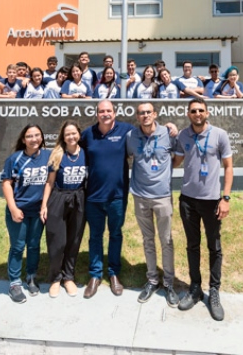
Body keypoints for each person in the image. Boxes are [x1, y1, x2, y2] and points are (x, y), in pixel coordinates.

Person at [173, 99, 233, 322]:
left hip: (211, 201)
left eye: (200, 110)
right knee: (192, 245)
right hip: (188, 200)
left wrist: (225, 198)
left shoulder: (220, 135)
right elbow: (176, 161)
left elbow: (228, 167)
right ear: (188, 114)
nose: (197, 114)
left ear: (207, 112)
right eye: (193, 111)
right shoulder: (183, 135)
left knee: (214, 246)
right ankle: (195, 288)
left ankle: (214, 292)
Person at [80, 100, 137, 298]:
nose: (105, 114)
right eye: (101, 111)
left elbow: (149, 132)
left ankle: (113, 273)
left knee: (115, 234)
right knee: (95, 236)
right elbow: (73, 150)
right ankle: (95, 275)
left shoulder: (126, 130)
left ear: (114, 112)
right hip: (93, 196)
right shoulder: (88, 134)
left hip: (117, 196)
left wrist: (170, 128)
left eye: (108, 110)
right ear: (97, 114)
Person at [126, 102, 179, 307]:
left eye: (149, 112)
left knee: (166, 240)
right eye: (141, 113)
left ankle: (169, 283)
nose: (145, 115)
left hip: (163, 196)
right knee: (148, 239)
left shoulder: (168, 133)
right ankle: (152, 280)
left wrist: (165, 172)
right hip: (140, 196)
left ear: (154, 114)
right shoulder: (131, 137)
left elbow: (179, 155)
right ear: (137, 116)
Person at [1, 124, 50, 303]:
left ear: (42, 137)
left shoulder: (48, 156)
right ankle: (14, 283)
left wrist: (44, 205)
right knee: (18, 246)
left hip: (38, 211)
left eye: (37, 135)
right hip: (19, 210)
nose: (34, 139)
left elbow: (51, 182)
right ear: (23, 139)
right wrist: (13, 208)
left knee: (34, 244)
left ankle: (31, 277)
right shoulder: (14, 159)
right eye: (30, 136)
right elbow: (6, 183)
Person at [40, 121, 87, 298]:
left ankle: (68, 277)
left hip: (79, 197)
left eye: (74, 133)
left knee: (74, 240)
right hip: (59, 198)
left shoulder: (86, 153)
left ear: (79, 134)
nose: (71, 136)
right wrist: (44, 205)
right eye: (67, 134)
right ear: (63, 136)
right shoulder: (57, 154)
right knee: (57, 241)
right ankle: (55, 278)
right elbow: (50, 182)